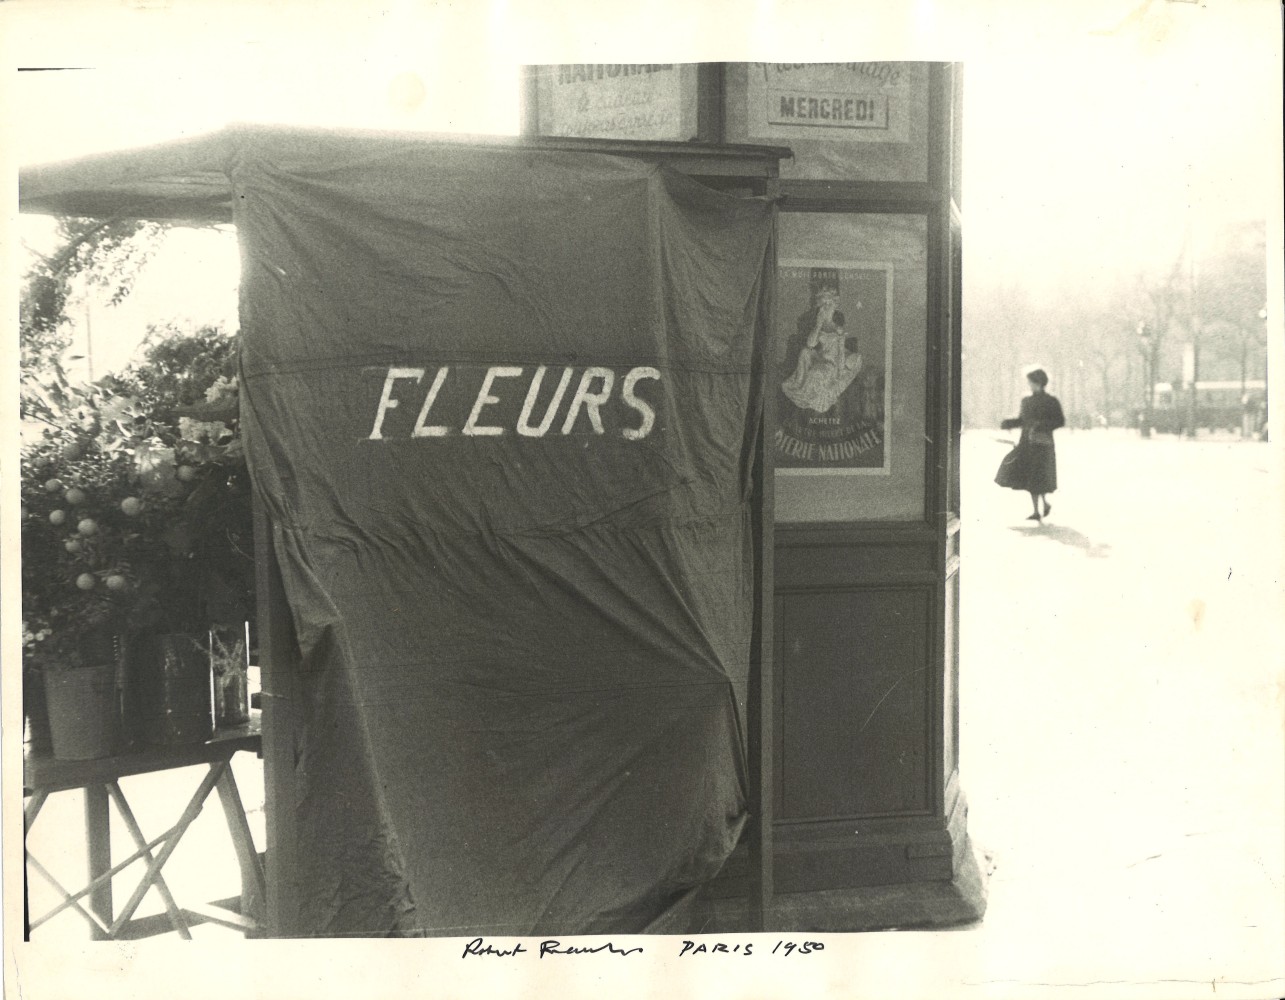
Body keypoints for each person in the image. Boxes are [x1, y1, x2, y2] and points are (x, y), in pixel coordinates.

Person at [995, 367, 1065, 523]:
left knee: (1038, 476)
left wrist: (1042, 425)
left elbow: (1060, 421)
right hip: (1026, 443)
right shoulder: (1026, 401)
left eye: (1031, 382)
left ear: (1039, 383)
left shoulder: (1051, 401)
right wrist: (1009, 423)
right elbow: (1022, 420)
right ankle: (1040, 507)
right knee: (1031, 476)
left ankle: (1039, 508)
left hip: (1043, 443)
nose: (1029, 385)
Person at [781, 286, 863, 414]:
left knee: (816, 372)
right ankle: (799, 386)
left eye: (829, 303)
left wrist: (838, 372)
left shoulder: (838, 329)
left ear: (835, 305)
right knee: (805, 352)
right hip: (820, 358)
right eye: (824, 303)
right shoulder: (819, 325)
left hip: (832, 365)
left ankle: (814, 400)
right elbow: (810, 344)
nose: (826, 306)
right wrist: (818, 324)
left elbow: (840, 354)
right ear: (820, 305)